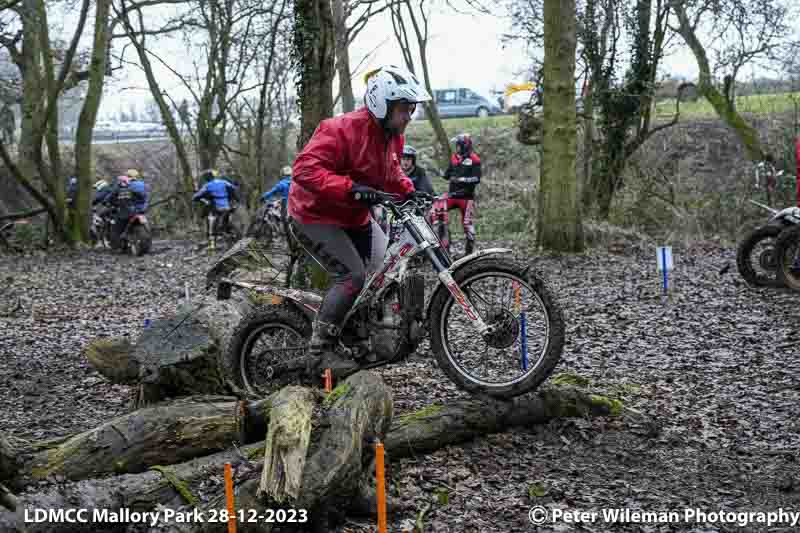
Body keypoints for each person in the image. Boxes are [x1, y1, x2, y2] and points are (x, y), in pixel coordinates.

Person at [287, 64, 431, 373]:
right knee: (352, 277)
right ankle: (320, 351)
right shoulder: (339, 130)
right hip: (314, 214)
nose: (409, 116)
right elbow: (304, 170)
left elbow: (390, 171)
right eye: (405, 109)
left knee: (383, 273)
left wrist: (409, 191)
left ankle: (355, 336)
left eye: (412, 109)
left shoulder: (393, 135)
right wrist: (351, 189)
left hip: (354, 217)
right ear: (383, 104)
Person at [433, 132, 481, 255]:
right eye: (456, 146)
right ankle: (445, 245)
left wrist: (462, 179)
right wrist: (440, 173)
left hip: (467, 198)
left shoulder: (474, 159)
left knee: (467, 224)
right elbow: (447, 175)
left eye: (459, 145)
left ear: (465, 146)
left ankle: (469, 252)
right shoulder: (454, 157)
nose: (457, 148)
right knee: (438, 209)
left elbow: (477, 178)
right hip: (452, 195)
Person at [193, 168, 239, 233]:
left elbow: (196, 196)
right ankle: (226, 228)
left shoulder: (207, 185)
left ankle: (208, 230)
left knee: (207, 208)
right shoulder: (224, 182)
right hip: (228, 205)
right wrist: (236, 200)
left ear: (206, 178)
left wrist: (197, 198)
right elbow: (234, 189)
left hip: (216, 207)